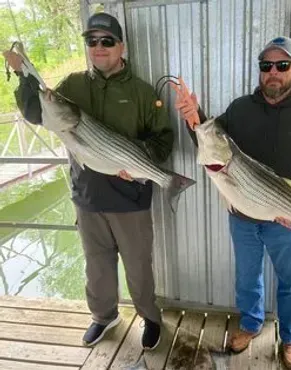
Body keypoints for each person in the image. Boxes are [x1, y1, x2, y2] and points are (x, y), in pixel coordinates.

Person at [3, 12, 174, 350]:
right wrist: (24, 75)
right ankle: (103, 316)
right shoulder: (71, 86)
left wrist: (138, 160)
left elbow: (164, 140)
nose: (99, 47)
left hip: (130, 198)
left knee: (139, 266)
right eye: (91, 41)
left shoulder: (141, 92)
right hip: (88, 196)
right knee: (97, 266)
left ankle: (149, 318)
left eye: (106, 41)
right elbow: (37, 112)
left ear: (121, 46)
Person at [174, 36, 291, 369]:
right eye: (266, 66)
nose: (273, 72)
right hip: (242, 215)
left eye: (282, 65)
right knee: (247, 277)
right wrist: (193, 116)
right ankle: (250, 324)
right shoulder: (240, 108)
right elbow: (211, 143)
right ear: (260, 71)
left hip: (285, 215)